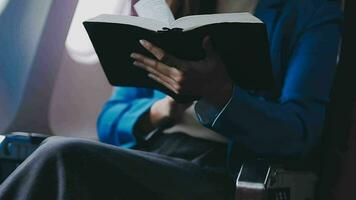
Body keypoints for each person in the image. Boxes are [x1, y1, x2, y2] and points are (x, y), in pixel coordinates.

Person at [0, 0, 342, 199]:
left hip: (222, 170)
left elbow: (300, 133)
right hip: (151, 153)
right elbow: (109, 121)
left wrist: (220, 93)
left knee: (62, 157)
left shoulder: (309, 12)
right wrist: (166, 108)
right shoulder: (171, 7)